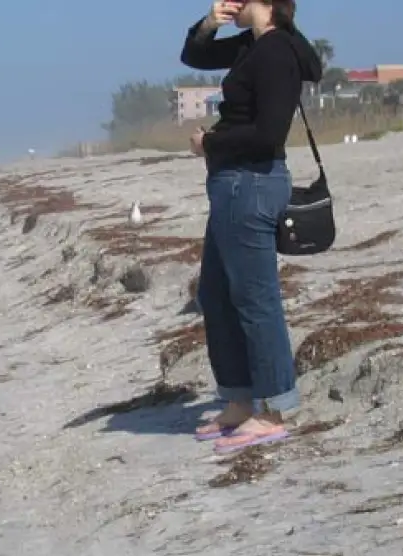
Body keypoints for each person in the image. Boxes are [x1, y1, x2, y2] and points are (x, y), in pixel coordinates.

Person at [180, 0, 321, 454]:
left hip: (251, 184)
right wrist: (210, 22)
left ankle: (273, 409)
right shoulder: (252, 45)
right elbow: (195, 55)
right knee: (216, 295)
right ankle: (240, 400)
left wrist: (210, 142)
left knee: (256, 301)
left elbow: (268, 134)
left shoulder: (277, 51)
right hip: (232, 185)